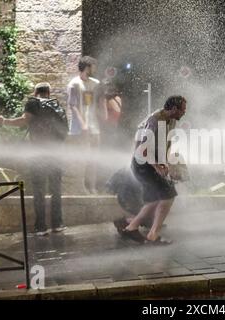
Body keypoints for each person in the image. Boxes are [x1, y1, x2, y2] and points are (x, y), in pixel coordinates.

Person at [0, 83, 67, 236]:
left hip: (39, 153)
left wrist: (4, 121)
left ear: (36, 92)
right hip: (57, 153)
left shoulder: (33, 103)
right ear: (49, 92)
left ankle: (41, 227)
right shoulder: (56, 105)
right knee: (56, 189)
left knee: (39, 189)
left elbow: (24, 120)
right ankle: (58, 223)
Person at [117, 96, 187, 245]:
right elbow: (142, 149)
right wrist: (157, 166)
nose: (184, 112)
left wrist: (166, 163)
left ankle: (131, 226)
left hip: (151, 163)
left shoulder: (172, 120)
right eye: (183, 109)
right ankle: (148, 233)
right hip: (142, 164)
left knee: (156, 199)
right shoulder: (154, 121)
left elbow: (165, 144)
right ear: (174, 109)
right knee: (167, 196)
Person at [67, 56, 101, 194]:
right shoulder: (74, 84)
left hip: (94, 127)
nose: (95, 69)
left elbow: (96, 104)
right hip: (79, 129)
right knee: (82, 159)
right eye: (94, 66)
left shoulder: (95, 83)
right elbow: (72, 106)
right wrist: (83, 125)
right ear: (87, 67)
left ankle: (92, 187)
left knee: (94, 158)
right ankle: (80, 187)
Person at [96, 80, 122, 148]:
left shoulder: (104, 100)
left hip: (105, 131)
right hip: (115, 130)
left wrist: (95, 111)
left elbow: (104, 117)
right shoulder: (118, 98)